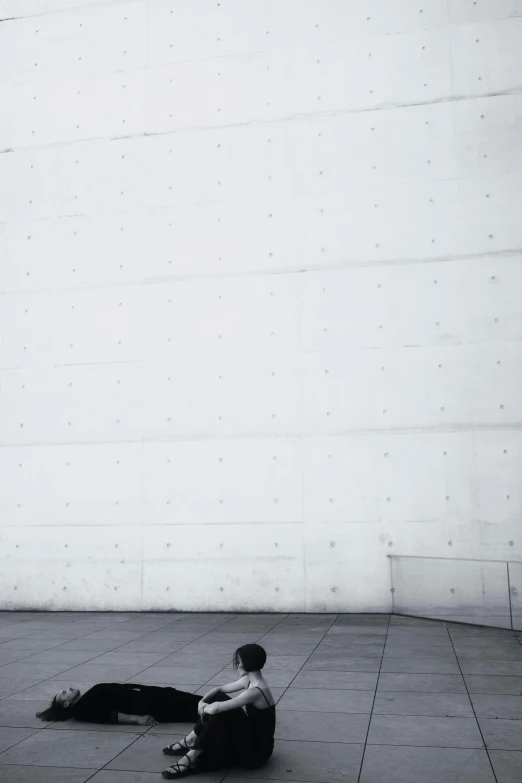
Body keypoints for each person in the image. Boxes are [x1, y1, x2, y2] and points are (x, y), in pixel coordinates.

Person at [162, 643, 276, 779]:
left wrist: (204, 707)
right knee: (218, 699)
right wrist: (201, 702)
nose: (237, 665)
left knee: (220, 711)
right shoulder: (249, 680)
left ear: (248, 664)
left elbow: (216, 708)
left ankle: (192, 755)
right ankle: (192, 739)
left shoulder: (256, 691)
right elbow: (219, 690)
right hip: (251, 736)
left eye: (239, 662)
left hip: (257, 753)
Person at [36, 683, 201, 726]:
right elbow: (108, 716)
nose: (68, 688)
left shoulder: (84, 702)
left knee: (195, 702)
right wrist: (137, 719)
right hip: (151, 705)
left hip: (150, 697)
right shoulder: (81, 710)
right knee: (195, 708)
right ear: (66, 704)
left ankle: (222, 707)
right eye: (64, 693)